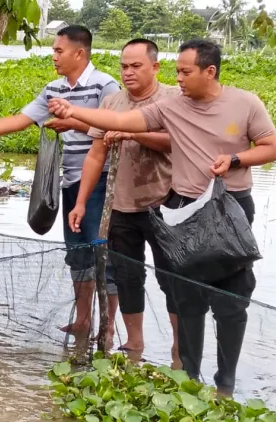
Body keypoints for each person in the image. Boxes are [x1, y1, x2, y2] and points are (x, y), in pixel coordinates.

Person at [47, 39, 276, 396]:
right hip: (182, 209)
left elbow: (271, 148)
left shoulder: (245, 103)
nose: (180, 79)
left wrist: (234, 160)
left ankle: (226, 385)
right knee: (187, 299)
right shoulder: (173, 107)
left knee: (231, 301)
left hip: (230, 209)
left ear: (210, 71)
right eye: (177, 72)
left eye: (186, 72)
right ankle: (187, 378)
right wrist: (73, 112)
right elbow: (121, 119)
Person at [0, 25, 122, 341]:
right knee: (77, 250)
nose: (54, 56)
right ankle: (83, 321)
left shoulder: (105, 87)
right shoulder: (54, 89)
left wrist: (75, 121)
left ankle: (108, 326)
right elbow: (20, 120)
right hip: (71, 181)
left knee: (102, 251)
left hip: (102, 181)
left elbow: (118, 129)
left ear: (79, 53)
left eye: (58, 50)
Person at [67, 38, 181, 368]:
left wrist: (133, 134)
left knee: (171, 276)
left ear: (155, 67)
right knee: (128, 276)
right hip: (120, 204)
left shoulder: (173, 99)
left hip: (167, 202)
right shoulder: (113, 103)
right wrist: (81, 202)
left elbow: (177, 143)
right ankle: (134, 344)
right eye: (124, 67)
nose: (128, 73)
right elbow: (95, 155)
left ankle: (178, 350)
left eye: (136, 66)